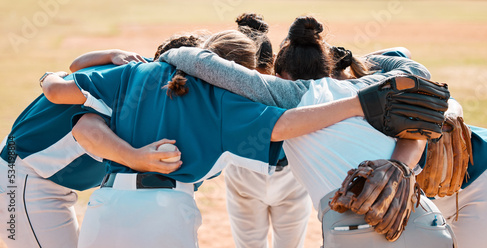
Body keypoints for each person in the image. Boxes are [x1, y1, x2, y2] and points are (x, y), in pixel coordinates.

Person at [41, 29, 378, 248]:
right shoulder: (224, 102)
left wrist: (47, 76)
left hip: (104, 208)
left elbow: (67, 103)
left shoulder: (134, 71)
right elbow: (285, 125)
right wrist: (354, 104)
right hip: (166, 213)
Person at [159, 16, 454, 247]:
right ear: (327, 66)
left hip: (358, 233)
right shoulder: (368, 89)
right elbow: (414, 68)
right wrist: (354, 58)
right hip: (427, 223)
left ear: (280, 75)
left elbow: (205, 64)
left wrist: (171, 54)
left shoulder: (291, 95)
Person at [0, 36, 204, 248]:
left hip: (40, 176)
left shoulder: (143, 72)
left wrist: (110, 54)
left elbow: (75, 66)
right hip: (23, 177)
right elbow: (85, 127)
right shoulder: (146, 88)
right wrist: (134, 157)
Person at [224, 13, 312, 248]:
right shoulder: (290, 87)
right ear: (273, 60)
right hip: (290, 175)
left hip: (243, 171)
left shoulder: (227, 87)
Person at [427, 98, 487, 248]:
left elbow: (446, 99)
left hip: (478, 182)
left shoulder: (381, 83)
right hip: (429, 202)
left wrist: (448, 117)